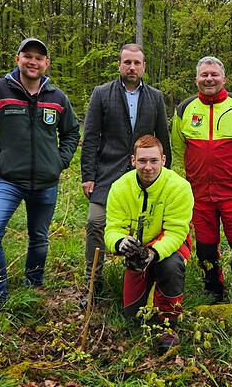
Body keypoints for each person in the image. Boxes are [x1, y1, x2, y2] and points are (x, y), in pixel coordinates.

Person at [0, 38, 80, 316]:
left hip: (46, 182)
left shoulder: (57, 97)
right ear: (17, 59)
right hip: (7, 181)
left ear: (46, 64)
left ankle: (34, 284)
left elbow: (72, 132)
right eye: (27, 56)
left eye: (39, 58)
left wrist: (59, 162)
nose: (33, 62)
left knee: (39, 237)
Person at [81, 44, 171, 303]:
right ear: (119, 65)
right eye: (127, 62)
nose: (132, 67)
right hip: (107, 173)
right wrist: (88, 175)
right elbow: (90, 138)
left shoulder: (155, 97)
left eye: (137, 63)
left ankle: (143, 280)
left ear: (143, 67)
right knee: (96, 224)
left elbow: (162, 138)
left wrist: (165, 175)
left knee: (147, 228)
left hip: (144, 174)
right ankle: (92, 285)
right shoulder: (101, 94)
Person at [171, 56, 232, 303]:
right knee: (206, 246)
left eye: (214, 74)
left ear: (223, 78)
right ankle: (213, 289)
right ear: (196, 79)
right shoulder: (184, 109)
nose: (209, 79)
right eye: (204, 75)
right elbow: (179, 146)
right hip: (199, 193)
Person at [104, 135, 193, 352]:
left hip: (168, 245)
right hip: (137, 250)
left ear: (163, 160)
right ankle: (146, 289)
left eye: (154, 160)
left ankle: (168, 323)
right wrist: (120, 242)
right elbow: (112, 229)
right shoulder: (119, 187)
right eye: (142, 161)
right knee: (132, 315)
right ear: (133, 161)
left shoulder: (179, 187)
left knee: (170, 265)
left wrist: (153, 252)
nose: (148, 167)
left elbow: (176, 231)